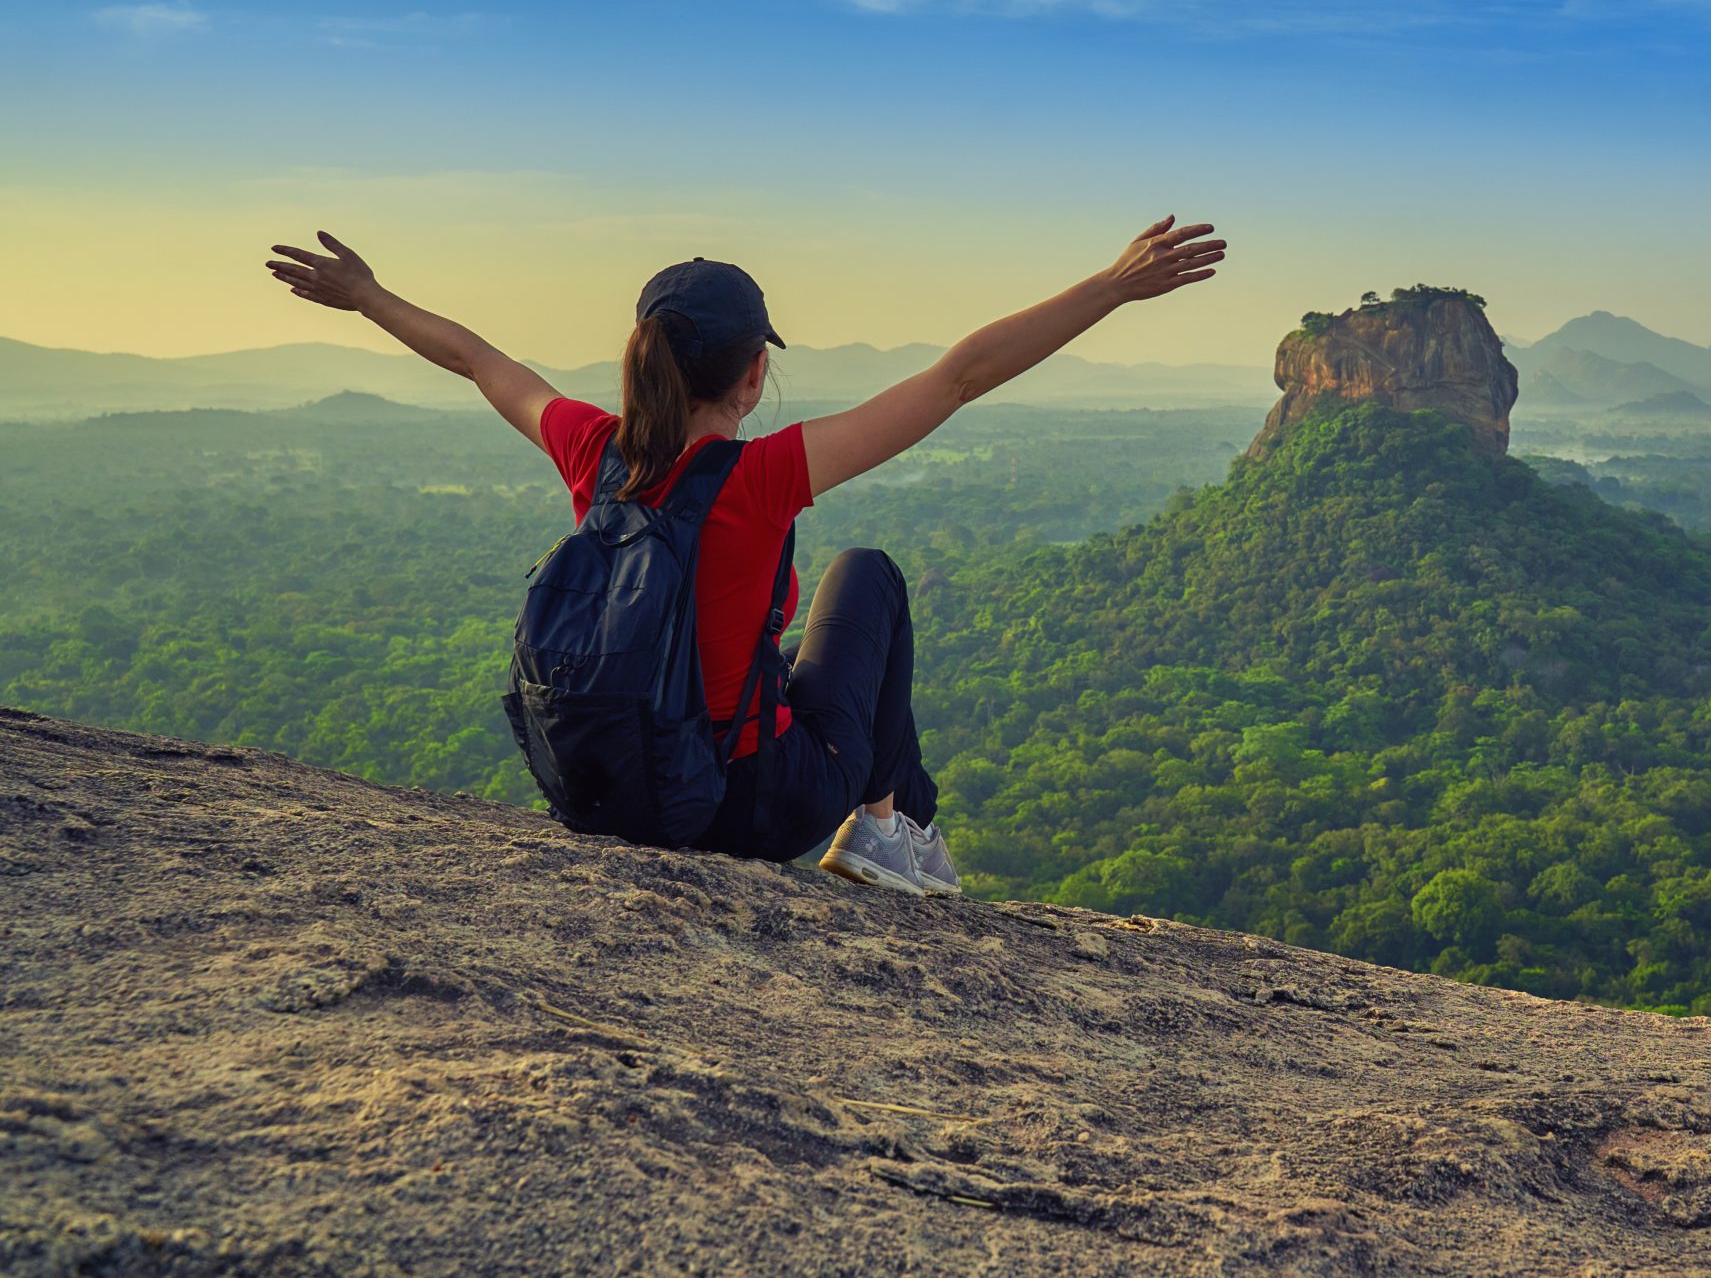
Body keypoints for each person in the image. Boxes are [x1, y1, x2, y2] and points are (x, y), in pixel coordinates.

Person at [263, 218, 1224, 892]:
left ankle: (897, 827)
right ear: (754, 373)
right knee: (870, 576)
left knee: (809, 634)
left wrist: (367, 296)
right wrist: (1110, 286)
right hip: (752, 807)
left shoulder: (597, 454)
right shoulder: (759, 479)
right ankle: (890, 829)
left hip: (616, 795)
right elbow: (958, 378)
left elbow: (478, 357)